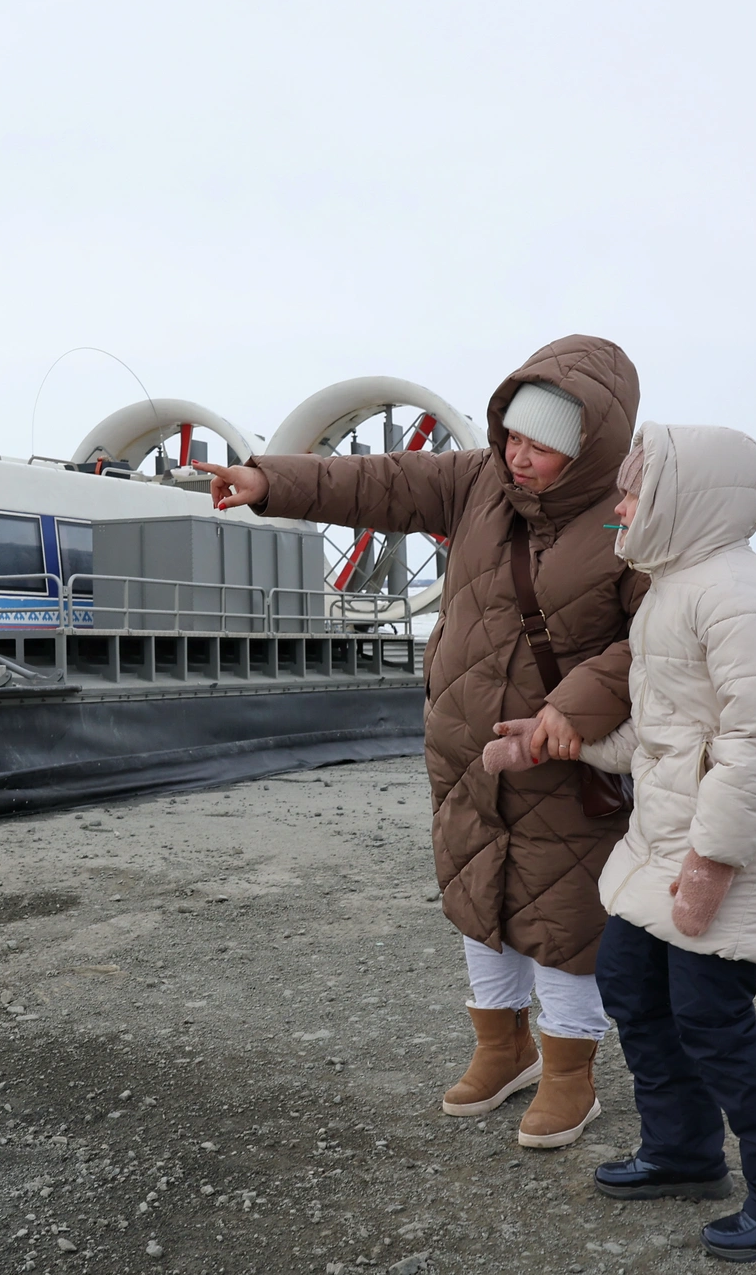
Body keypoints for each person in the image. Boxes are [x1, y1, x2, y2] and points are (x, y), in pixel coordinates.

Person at [193, 336, 643, 1150]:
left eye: (541, 446)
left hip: (562, 757)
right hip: (463, 748)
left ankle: (570, 1073)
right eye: (514, 434)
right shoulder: (478, 481)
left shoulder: (632, 514)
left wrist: (575, 707)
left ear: (589, 450)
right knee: (478, 897)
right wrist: (269, 480)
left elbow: (655, 640)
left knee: (565, 916)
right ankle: (500, 1049)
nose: (519, 455)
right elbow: (381, 482)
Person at [584, 422, 756, 1262]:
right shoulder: (673, 589)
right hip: (666, 840)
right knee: (629, 976)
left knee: (712, 1017)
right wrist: (570, 743)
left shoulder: (739, 598)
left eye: (633, 491)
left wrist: (711, 864)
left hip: (726, 854)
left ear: (679, 500)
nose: (618, 506)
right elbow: (664, 734)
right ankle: (684, 1150)